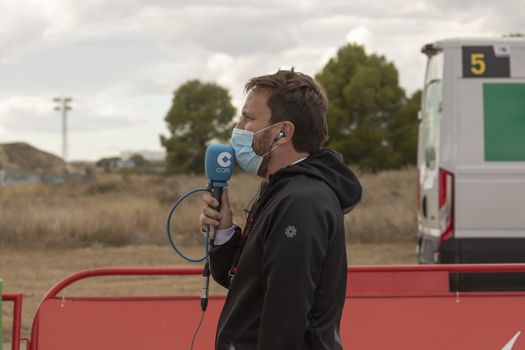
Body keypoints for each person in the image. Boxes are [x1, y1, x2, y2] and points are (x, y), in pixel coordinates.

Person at [199, 69, 362, 350]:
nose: (238, 127)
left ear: (283, 132)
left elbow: (286, 316)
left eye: (248, 118)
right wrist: (224, 231)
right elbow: (245, 283)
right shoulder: (281, 189)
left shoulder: (302, 202)